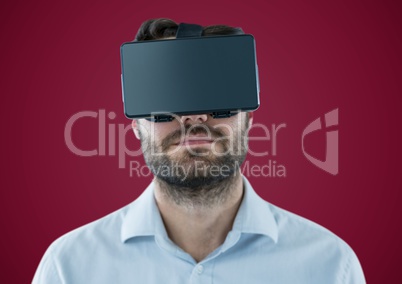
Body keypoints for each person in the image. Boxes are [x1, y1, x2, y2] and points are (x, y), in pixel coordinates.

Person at [33, 18, 366, 283]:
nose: (194, 117)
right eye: (165, 97)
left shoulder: (330, 266)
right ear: (135, 125)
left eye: (217, 95)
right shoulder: (70, 268)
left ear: (249, 118)